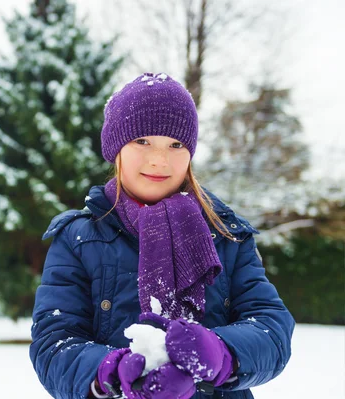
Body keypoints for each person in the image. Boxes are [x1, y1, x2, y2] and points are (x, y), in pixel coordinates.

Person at [29, 72, 295, 399]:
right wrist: (109, 372)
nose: (159, 159)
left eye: (175, 144)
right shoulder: (79, 238)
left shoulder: (227, 234)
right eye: (142, 141)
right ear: (117, 149)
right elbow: (54, 344)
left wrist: (222, 353)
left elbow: (271, 328)